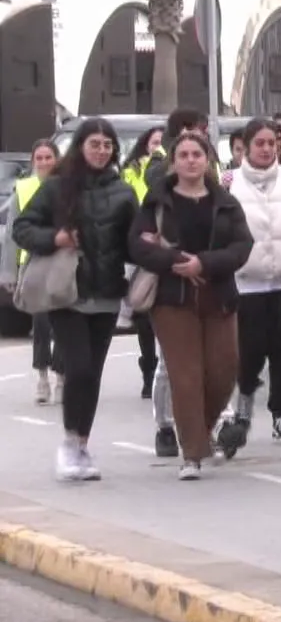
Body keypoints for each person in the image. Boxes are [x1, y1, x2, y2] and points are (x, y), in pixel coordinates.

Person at [13, 118, 138, 482]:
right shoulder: (56, 187)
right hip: (67, 292)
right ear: (80, 147)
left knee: (93, 375)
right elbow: (22, 227)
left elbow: (133, 241)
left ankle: (83, 445)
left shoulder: (124, 191)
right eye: (94, 144)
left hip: (107, 293)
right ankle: (69, 444)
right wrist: (56, 238)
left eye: (107, 145)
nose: (101, 151)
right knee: (78, 368)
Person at [127, 131, 256, 480]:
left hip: (218, 296)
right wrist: (174, 260)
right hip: (172, 299)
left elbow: (242, 246)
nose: (190, 160)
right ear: (174, 161)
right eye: (183, 155)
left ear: (208, 159)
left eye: (196, 154)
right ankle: (192, 455)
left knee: (224, 371)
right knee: (185, 376)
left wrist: (205, 264)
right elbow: (136, 246)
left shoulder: (225, 202)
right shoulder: (156, 201)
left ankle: (200, 432)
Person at [221, 118, 281, 447]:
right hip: (247, 285)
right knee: (248, 354)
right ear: (245, 147)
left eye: (272, 143)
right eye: (259, 143)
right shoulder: (229, 182)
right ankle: (243, 410)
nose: (266, 149)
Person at [13, 140, 63, 405]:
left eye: (48, 157)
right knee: (41, 323)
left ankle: (62, 376)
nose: (44, 162)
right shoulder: (23, 187)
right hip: (33, 264)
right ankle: (42, 376)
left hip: (63, 264)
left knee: (65, 322)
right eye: (39, 158)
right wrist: (10, 273)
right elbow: (14, 232)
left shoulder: (67, 186)